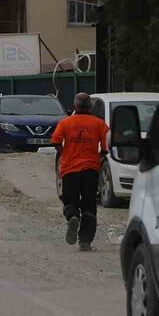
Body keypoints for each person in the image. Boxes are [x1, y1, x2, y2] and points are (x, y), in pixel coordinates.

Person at [51, 92, 108, 251]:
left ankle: (73, 216)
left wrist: (65, 153)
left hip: (70, 169)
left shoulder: (65, 123)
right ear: (90, 106)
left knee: (69, 200)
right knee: (90, 205)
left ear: (75, 106)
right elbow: (105, 148)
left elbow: (55, 141)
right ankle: (85, 242)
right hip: (91, 170)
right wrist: (97, 156)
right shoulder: (99, 124)